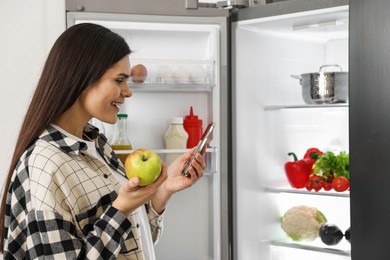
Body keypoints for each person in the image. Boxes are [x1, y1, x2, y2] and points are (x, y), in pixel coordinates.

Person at [0, 23, 206, 259]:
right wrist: (121, 209)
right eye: (119, 80)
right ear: (82, 77)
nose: (128, 91)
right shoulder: (46, 163)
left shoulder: (98, 144)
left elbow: (133, 240)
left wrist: (164, 190)